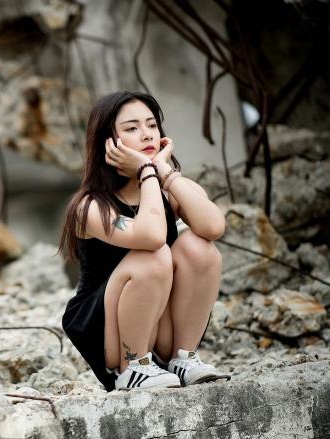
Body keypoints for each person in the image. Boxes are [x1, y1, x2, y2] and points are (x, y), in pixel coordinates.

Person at [58, 91, 228, 391]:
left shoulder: (167, 188)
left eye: (152, 125)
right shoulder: (91, 207)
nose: (147, 134)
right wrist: (147, 171)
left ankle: (184, 359)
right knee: (154, 254)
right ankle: (134, 367)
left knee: (199, 247)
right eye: (132, 128)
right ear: (108, 143)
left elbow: (213, 227)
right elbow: (151, 237)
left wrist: (165, 173)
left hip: (158, 322)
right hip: (107, 331)